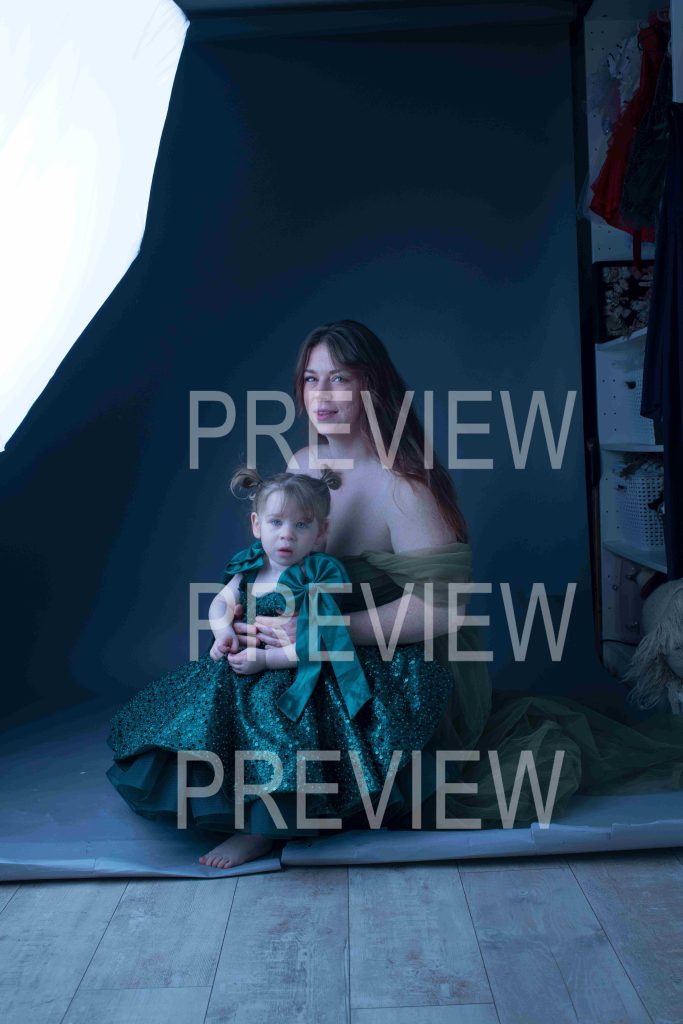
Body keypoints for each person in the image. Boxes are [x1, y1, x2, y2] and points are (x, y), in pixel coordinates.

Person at [230, 319, 683, 834]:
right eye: (312, 379)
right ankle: (252, 812)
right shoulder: (302, 463)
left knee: (301, 712)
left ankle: (266, 825)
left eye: (340, 378)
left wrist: (324, 631)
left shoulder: (404, 487)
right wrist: (251, 615)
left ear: (371, 386)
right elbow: (285, 566)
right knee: (232, 681)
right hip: (321, 637)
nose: (322, 394)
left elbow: (443, 610)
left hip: (401, 654)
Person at [105, 462, 456, 869]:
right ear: (257, 525)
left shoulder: (317, 577)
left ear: (321, 533)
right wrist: (222, 631)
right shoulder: (249, 568)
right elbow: (221, 603)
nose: (287, 534)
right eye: (276, 522)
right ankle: (227, 804)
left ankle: (259, 832)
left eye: (301, 525)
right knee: (206, 724)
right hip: (243, 667)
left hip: (296, 676)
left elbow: (318, 642)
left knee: (277, 737)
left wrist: (266, 659)